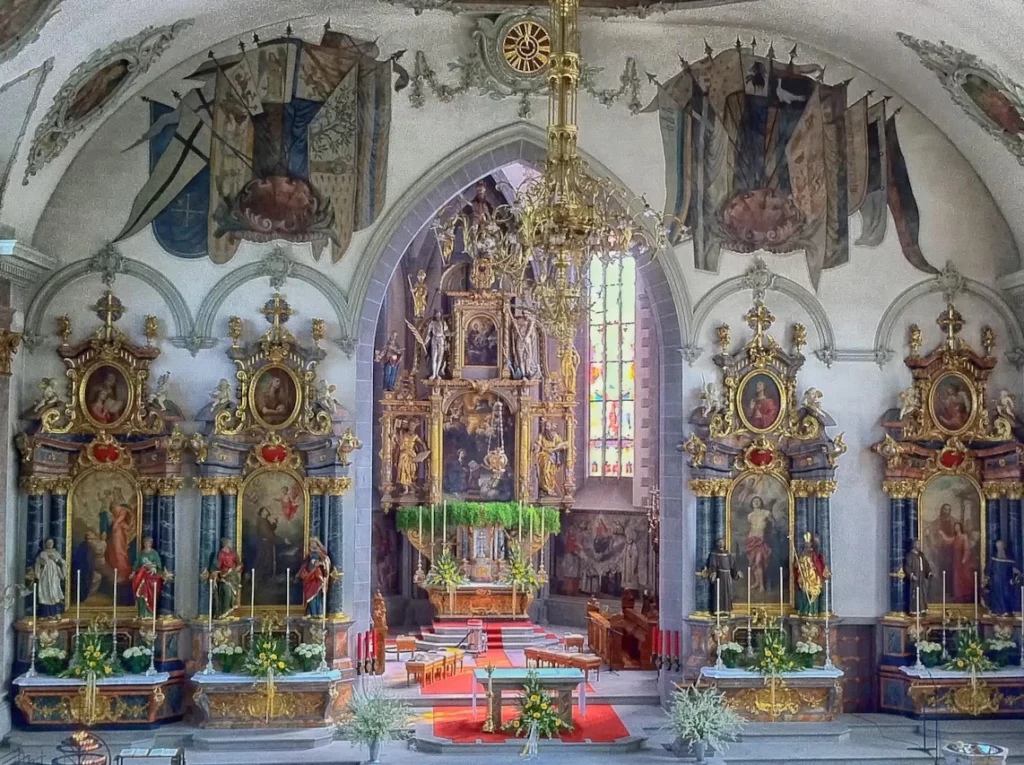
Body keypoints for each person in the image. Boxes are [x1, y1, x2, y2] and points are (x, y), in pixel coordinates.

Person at [105, 489, 135, 586]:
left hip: (119, 530)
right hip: (114, 529)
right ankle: (116, 571)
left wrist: (116, 523)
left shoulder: (123, 505)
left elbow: (123, 515)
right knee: (112, 550)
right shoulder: (113, 503)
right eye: (113, 494)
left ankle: (123, 573)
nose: (114, 495)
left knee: (119, 550)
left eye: (115, 494)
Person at [131, 537, 166, 619]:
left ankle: (149, 614)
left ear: (150, 544)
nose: (146, 544)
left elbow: (158, 564)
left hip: (151, 578)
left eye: (148, 543)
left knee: (150, 594)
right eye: (145, 543)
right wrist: (133, 572)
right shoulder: (141, 554)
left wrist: (153, 566)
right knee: (141, 594)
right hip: (142, 577)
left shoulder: (154, 553)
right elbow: (137, 564)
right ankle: (142, 613)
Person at [745, 496, 774, 593]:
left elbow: (773, 524)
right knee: (753, 562)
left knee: (758, 562)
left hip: (761, 540)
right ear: (751, 503)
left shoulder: (766, 513)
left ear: (761, 502)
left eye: (758, 501)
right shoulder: (750, 516)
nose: (756, 502)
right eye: (754, 501)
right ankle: (757, 582)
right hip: (751, 540)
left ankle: (762, 585)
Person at [985, 539, 1021, 615]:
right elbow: (989, 568)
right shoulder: (993, 557)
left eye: (1001, 546)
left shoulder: (1009, 557)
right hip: (996, 581)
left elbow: (1014, 568)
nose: (999, 548)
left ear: (1004, 547)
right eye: (998, 546)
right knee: (996, 596)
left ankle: (1006, 611)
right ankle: (996, 610)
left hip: (1006, 581)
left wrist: (1017, 574)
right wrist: (987, 577)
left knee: (1006, 594)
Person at [794, 533, 828, 615]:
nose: (807, 548)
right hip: (805, 577)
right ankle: (805, 610)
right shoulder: (802, 556)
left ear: (811, 548)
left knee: (814, 592)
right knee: (805, 593)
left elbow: (818, 565)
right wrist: (798, 564)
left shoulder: (814, 556)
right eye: (805, 547)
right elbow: (796, 565)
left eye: (808, 547)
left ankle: (813, 611)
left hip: (813, 577)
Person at [941, 521, 975, 602]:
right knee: (957, 577)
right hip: (956, 559)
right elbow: (947, 540)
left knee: (964, 577)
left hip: (962, 559)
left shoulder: (964, 536)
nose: (956, 528)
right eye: (955, 527)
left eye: (957, 526)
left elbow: (967, 548)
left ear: (960, 527)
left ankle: (965, 594)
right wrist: (942, 534)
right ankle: (958, 595)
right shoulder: (955, 537)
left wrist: (964, 558)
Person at [534, 419, 569, 497]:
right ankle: (545, 489)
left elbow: (562, 445)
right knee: (545, 471)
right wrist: (536, 447)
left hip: (553, 456)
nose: (547, 428)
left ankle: (550, 488)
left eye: (548, 426)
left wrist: (553, 450)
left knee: (551, 473)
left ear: (551, 427)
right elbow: (538, 445)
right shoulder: (541, 436)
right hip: (543, 456)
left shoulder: (555, 436)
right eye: (545, 426)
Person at [32, 539, 66, 619]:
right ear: (45, 544)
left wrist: (56, 560)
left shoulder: (56, 554)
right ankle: (44, 614)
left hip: (54, 577)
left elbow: (62, 563)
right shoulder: (42, 554)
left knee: (54, 593)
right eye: (48, 543)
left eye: (51, 543)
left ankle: (55, 613)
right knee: (45, 593)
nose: (50, 544)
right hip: (45, 576)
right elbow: (37, 565)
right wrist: (42, 564)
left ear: (53, 544)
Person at [297, 538, 331, 617]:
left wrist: (320, 563)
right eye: (310, 543)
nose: (312, 544)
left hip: (317, 575)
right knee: (309, 594)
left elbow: (326, 562)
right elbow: (304, 564)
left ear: (317, 543)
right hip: (309, 576)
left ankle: (317, 612)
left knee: (316, 594)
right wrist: (300, 573)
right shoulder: (309, 554)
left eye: (313, 543)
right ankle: (311, 612)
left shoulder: (321, 553)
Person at [210, 538, 242, 619]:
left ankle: (230, 613)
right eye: (230, 543)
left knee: (233, 595)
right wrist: (216, 577)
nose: (231, 544)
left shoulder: (233, 553)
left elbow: (239, 563)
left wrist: (238, 567)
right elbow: (216, 567)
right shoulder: (221, 554)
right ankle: (224, 613)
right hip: (225, 577)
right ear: (226, 544)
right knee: (227, 593)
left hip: (233, 577)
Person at [706, 538, 740, 613]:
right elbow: (713, 564)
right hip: (720, 576)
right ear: (717, 543)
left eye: (722, 542)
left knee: (728, 592)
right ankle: (718, 610)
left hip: (727, 575)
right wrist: (713, 572)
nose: (721, 543)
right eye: (720, 542)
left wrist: (736, 572)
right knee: (719, 592)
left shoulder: (727, 553)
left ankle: (727, 609)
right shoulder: (714, 553)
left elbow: (733, 565)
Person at [904, 538, 932, 613]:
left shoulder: (921, 555)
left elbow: (926, 564)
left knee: (923, 593)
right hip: (915, 578)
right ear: (914, 545)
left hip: (922, 577)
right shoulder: (910, 556)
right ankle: (915, 610)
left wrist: (928, 572)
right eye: (917, 544)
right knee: (915, 594)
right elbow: (907, 567)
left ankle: (923, 609)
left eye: (919, 544)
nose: (919, 545)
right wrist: (911, 575)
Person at [255, 507, 281, 582]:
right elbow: (268, 534)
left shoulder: (265, 521)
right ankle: (261, 578)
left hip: (267, 543)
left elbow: (269, 530)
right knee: (264, 560)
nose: (268, 511)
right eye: (266, 510)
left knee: (267, 560)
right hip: (265, 544)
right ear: (262, 512)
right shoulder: (262, 521)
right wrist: (282, 540)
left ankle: (265, 578)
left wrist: (275, 523)